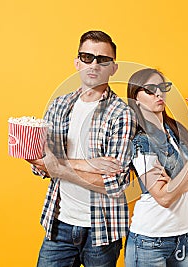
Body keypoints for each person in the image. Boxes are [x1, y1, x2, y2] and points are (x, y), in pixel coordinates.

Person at [26, 30, 136, 267]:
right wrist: (88, 165)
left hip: (102, 230)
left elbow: (114, 183)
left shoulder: (122, 114)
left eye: (102, 59)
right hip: (59, 223)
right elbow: (38, 163)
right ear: (77, 62)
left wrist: (60, 165)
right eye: (87, 57)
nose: (94, 64)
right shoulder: (59, 105)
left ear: (113, 68)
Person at [124, 68, 188, 267]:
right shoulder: (141, 142)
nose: (159, 94)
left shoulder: (177, 129)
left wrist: (173, 183)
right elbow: (163, 198)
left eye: (162, 87)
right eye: (150, 89)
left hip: (182, 237)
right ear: (135, 99)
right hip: (149, 242)